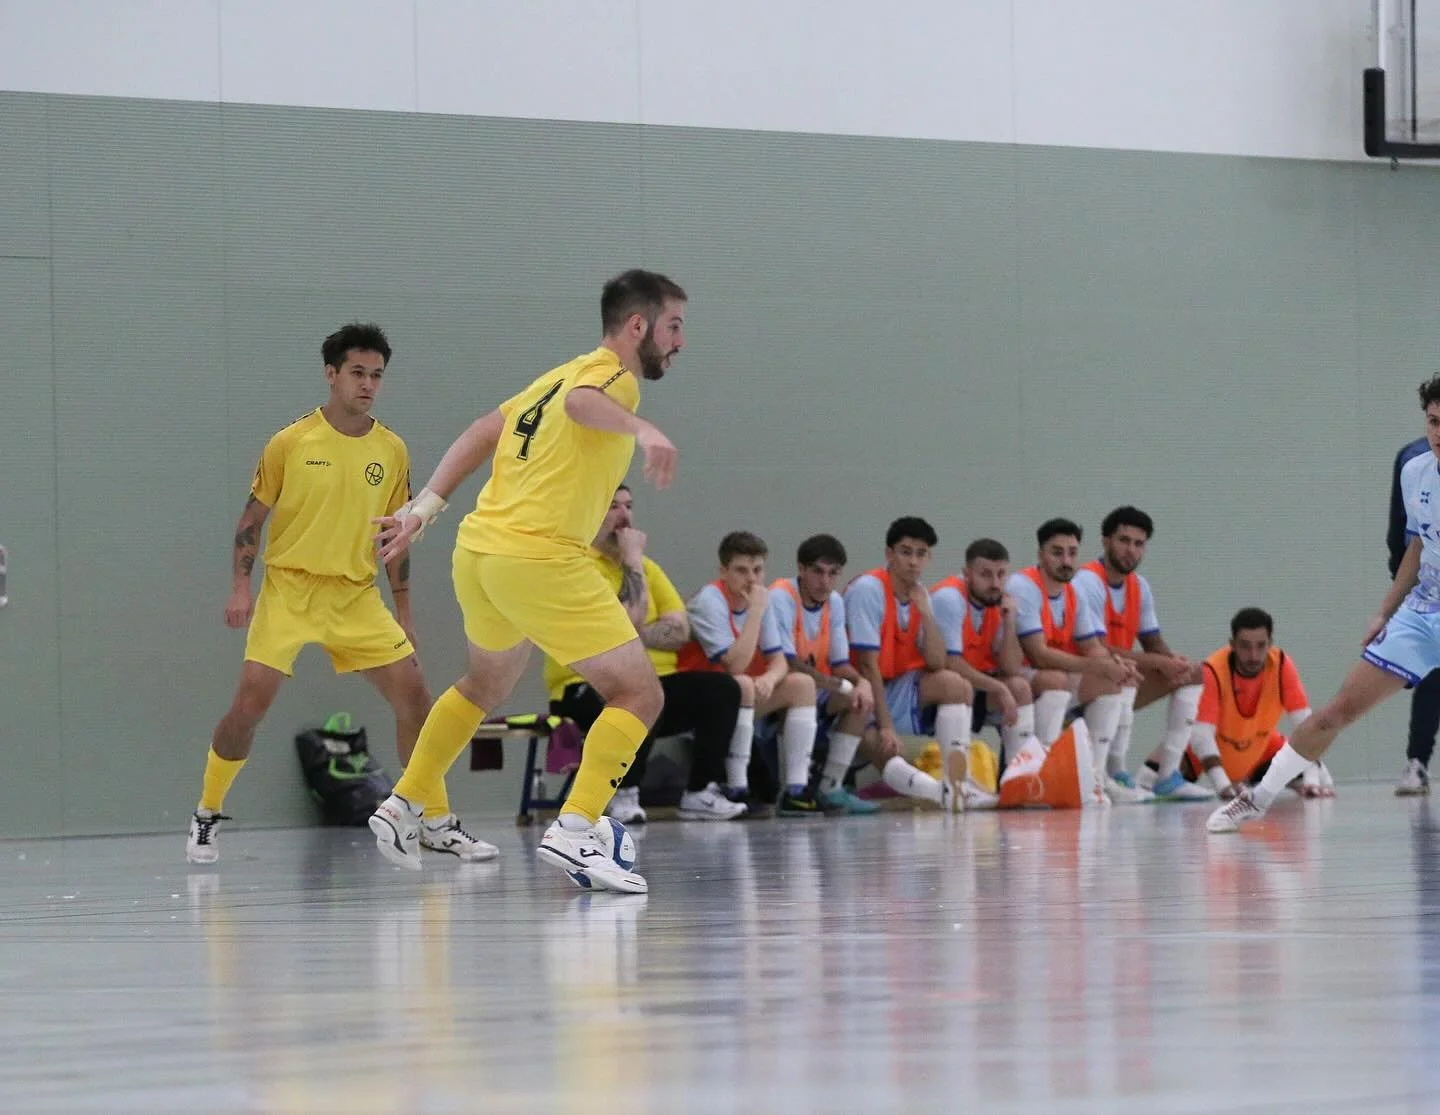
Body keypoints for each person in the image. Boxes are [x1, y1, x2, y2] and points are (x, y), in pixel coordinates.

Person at [367, 270, 686, 892]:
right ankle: (577, 827)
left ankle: (406, 804)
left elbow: (483, 430)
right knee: (639, 694)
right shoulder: (611, 380)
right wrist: (646, 431)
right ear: (638, 326)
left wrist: (422, 508)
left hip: (480, 554)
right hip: (540, 559)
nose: (680, 341)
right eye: (673, 327)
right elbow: (582, 405)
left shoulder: (555, 375)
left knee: (483, 684)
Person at [187, 324, 490, 866]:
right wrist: (240, 587)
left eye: (376, 375)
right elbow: (251, 520)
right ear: (331, 375)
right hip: (289, 591)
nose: (368, 384)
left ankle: (435, 822)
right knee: (248, 709)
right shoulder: (290, 442)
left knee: (417, 701)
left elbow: (395, 536)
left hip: (355, 595)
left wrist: (404, 611)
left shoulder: (391, 449)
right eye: (357, 373)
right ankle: (207, 812)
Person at [1209, 375, 1440, 833]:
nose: (1439, 433)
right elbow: (1417, 546)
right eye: (1433, 422)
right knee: (1336, 712)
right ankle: (1256, 799)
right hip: (1421, 614)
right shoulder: (1415, 471)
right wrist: (1385, 611)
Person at [544, 486, 746, 823]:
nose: (624, 515)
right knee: (640, 694)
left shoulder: (649, 569)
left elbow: (680, 631)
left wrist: (635, 628)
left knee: (722, 689)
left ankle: (700, 792)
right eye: (613, 506)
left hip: (653, 677)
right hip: (583, 686)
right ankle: (624, 792)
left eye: (629, 506)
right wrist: (633, 564)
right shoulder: (577, 566)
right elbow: (625, 624)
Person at [845, 517, 995, 811]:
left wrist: (926, 613)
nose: (913, 562)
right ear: (889, 554)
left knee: (956, 685)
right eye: (906, 552)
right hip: (859, 692)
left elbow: (937, 662)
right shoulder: (868, 589)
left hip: (895, 687)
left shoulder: (920, 593)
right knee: (888, 752)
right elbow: (867, 666)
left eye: (921, 553)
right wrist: (887, 727)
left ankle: (957, 781)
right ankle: (942, 793)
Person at [677, 531, 823, 816]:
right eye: (742, 571)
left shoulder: (758, 599)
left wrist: (769, 679)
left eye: (757, 570)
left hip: (737, 698)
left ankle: (796, 790)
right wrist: (756, 611)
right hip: (698, 702)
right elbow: (735, 665)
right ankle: (736, 786)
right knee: (741, 682)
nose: (752, 580)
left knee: (802, 684)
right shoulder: (710, 601)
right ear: (724, 571)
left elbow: (779, 661)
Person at [1072, 506, 1210, 803]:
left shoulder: (1139, 586)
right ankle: (1111, 772)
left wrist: (1174, 662)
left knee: (1193, 674)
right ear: (1105, 541)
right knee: (1120, 674)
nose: (1131, 550)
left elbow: (1153, 642)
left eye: (1139, 543)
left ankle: (1167, 775)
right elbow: (1097, 649)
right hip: (1083, 680)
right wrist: (1159, 662)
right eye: (1124, 540)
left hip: (1118, 674)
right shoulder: (1087, 581)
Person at [1006, 518, 1135, 806]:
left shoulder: (1074, 590)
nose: (1066, 561)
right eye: (1057, 552)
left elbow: (1092, 647)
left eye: (1072, 553)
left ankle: (1095, 778)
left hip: (1051, 677)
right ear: (1040, 554)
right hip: (1010, 674)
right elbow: (1039, 654)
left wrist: (1116, 666)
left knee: (1112, 682)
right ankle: (1042, 775)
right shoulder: (1024, 586)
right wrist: (1099, 665)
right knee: (1057, 679)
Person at [768, 533, 880, 814]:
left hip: (815, 687)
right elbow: (787, 662)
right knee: (800, 685)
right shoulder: (781, 596)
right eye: (817, 572)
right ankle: (791, 789)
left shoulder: (835, 602)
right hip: (772, 688)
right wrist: (839, 685)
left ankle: (832, 786)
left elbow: (840, 662)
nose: (825, 582)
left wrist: (862, 682)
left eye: (833, 574)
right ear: (801, 569)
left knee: (859, 700)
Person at [1183, 608, 1325, 800]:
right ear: (1232, 644)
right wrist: (1223, 786)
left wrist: (1311, 781)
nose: (1254, 655)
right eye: (1245, 646)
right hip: (1207, 755)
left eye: (1261, 646)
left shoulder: (1281, 666)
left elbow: (1305, 724)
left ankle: (1285, 782)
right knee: (1161, 773)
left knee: (1319, 774)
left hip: (1262, 752)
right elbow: (1201, 735)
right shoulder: (1212, 670)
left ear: (1270, 644)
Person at [930, 538, 1036, 770]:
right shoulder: (949, 598)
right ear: (967, 573)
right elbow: (951, 662)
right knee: (959, 684)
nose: (995, 583)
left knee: (1019, 687)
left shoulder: (997, 602)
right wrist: (998, 688)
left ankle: (1019, 776)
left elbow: (1011, 667)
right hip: (932, 685)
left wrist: (1009, 623)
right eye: (986, 575)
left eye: (1001, 574)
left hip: (971, 684)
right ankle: (957, 779)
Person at [1393, 435, 1440, 795]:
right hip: (1429, 591)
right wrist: (1401, 603)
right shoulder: (1412, 463)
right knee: (1431, 674)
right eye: (1434, 421)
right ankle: (1417, 762)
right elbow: (1405, 539)